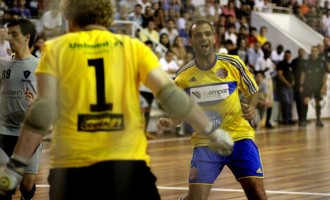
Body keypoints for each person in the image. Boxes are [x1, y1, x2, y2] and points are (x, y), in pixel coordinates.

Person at [0, 1, 233, 200]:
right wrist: (210, 130)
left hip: (72, 169)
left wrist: (17, 164)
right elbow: (171, 95)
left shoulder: (56, 49)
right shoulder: (132, 47)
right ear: (106, 15)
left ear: (70, 16)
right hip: (128, 166)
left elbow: (42, 110)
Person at [158, 20, 267, 200]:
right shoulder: (183, 76)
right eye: (198, 35)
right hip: (205, 142)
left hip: (239, 137)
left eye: (208, 33)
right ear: (191, 41)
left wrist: (252, 107)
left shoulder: (233, 63)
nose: (204, 38)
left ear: (214, 39)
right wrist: (170, 121)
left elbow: (253, 91)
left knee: (257, 191)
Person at [0, 18, 40, 200]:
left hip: (29, 132)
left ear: (27, 37)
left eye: (14, 34)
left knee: (27, 184)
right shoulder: (2, 64)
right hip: (3, 129)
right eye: (9, 34)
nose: (9, 38)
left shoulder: (41, 66)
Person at [299, 46, 328, 127]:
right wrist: (301, 85)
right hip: (308, 84)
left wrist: (323, 86)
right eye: (312, 51)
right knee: (306, 100)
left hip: (318, 85)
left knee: (318, 101)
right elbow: (303, 74)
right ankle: (303, 120)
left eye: (315, 51)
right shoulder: (307, 62)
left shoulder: (322, 62)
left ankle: (318, 120)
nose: (313, 53)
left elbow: (325, 75)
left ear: (318, 52)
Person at [276, 50, 295, 125]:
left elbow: (291, 74)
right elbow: (280, 75)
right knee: (286, 102)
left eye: (289, 56)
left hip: (290, 86)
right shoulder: (281, 64)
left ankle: (289, 119)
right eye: (286, 55)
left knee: (290, 103)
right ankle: (285, 119)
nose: (288, 57)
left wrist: (293, 81)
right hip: (283, 86)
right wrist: (287, 83)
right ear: (284, 56)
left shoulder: (289, 65)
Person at [291, 48, 306, 125]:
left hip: (304, 84)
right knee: (298, 101)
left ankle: (304, 118)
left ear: (304, 53)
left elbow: (305, 74)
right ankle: (301, 119)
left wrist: (302, 84)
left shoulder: (306, 62)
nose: (301, 53)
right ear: (298, 52)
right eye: (300, 52)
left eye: (302, 52)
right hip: (296, 84)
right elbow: (291, 72)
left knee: (304, 101)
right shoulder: (294, 61)